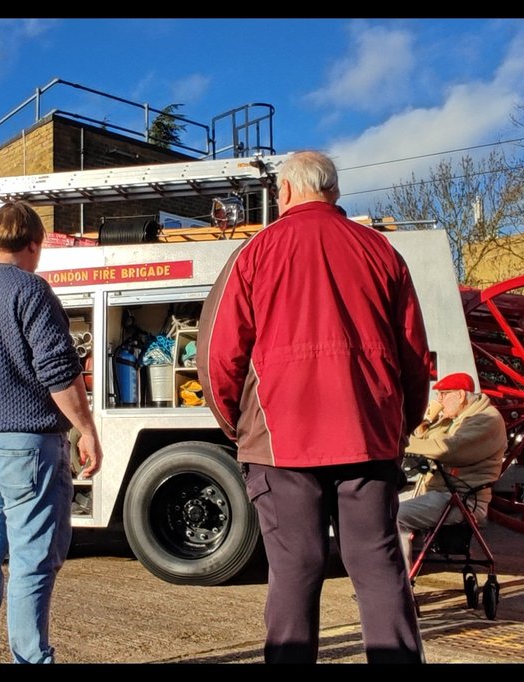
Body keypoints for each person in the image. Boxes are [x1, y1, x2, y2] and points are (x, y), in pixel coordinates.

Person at [197, 150, 430, 664]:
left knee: (295, 569)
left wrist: (239, 426)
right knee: (377, 567)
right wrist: (400, 423)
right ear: (335, 192)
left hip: (282, 441)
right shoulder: (382, 252)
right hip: (367, 435)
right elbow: (414, 354)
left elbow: (218, 354)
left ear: (283, 192)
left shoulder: (256, 251)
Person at [0, 200, 102, 664]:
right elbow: (58, 370)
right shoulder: (31, 290)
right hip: (26, 444)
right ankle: (30, 658)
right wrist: (85, 428)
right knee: (32, 557)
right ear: (33, 243)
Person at [397, 372, 506, 569]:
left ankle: (398, 587)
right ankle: (394, 583)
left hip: (463, 499)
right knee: (382, 510)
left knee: (394, 517)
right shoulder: (456, 418)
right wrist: (425, 421)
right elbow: (429, 441)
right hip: (443, 493)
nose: (439, 400)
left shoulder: (486, 419)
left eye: (443, 394)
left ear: (461, 395)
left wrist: (400, 443)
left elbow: (448, 449)